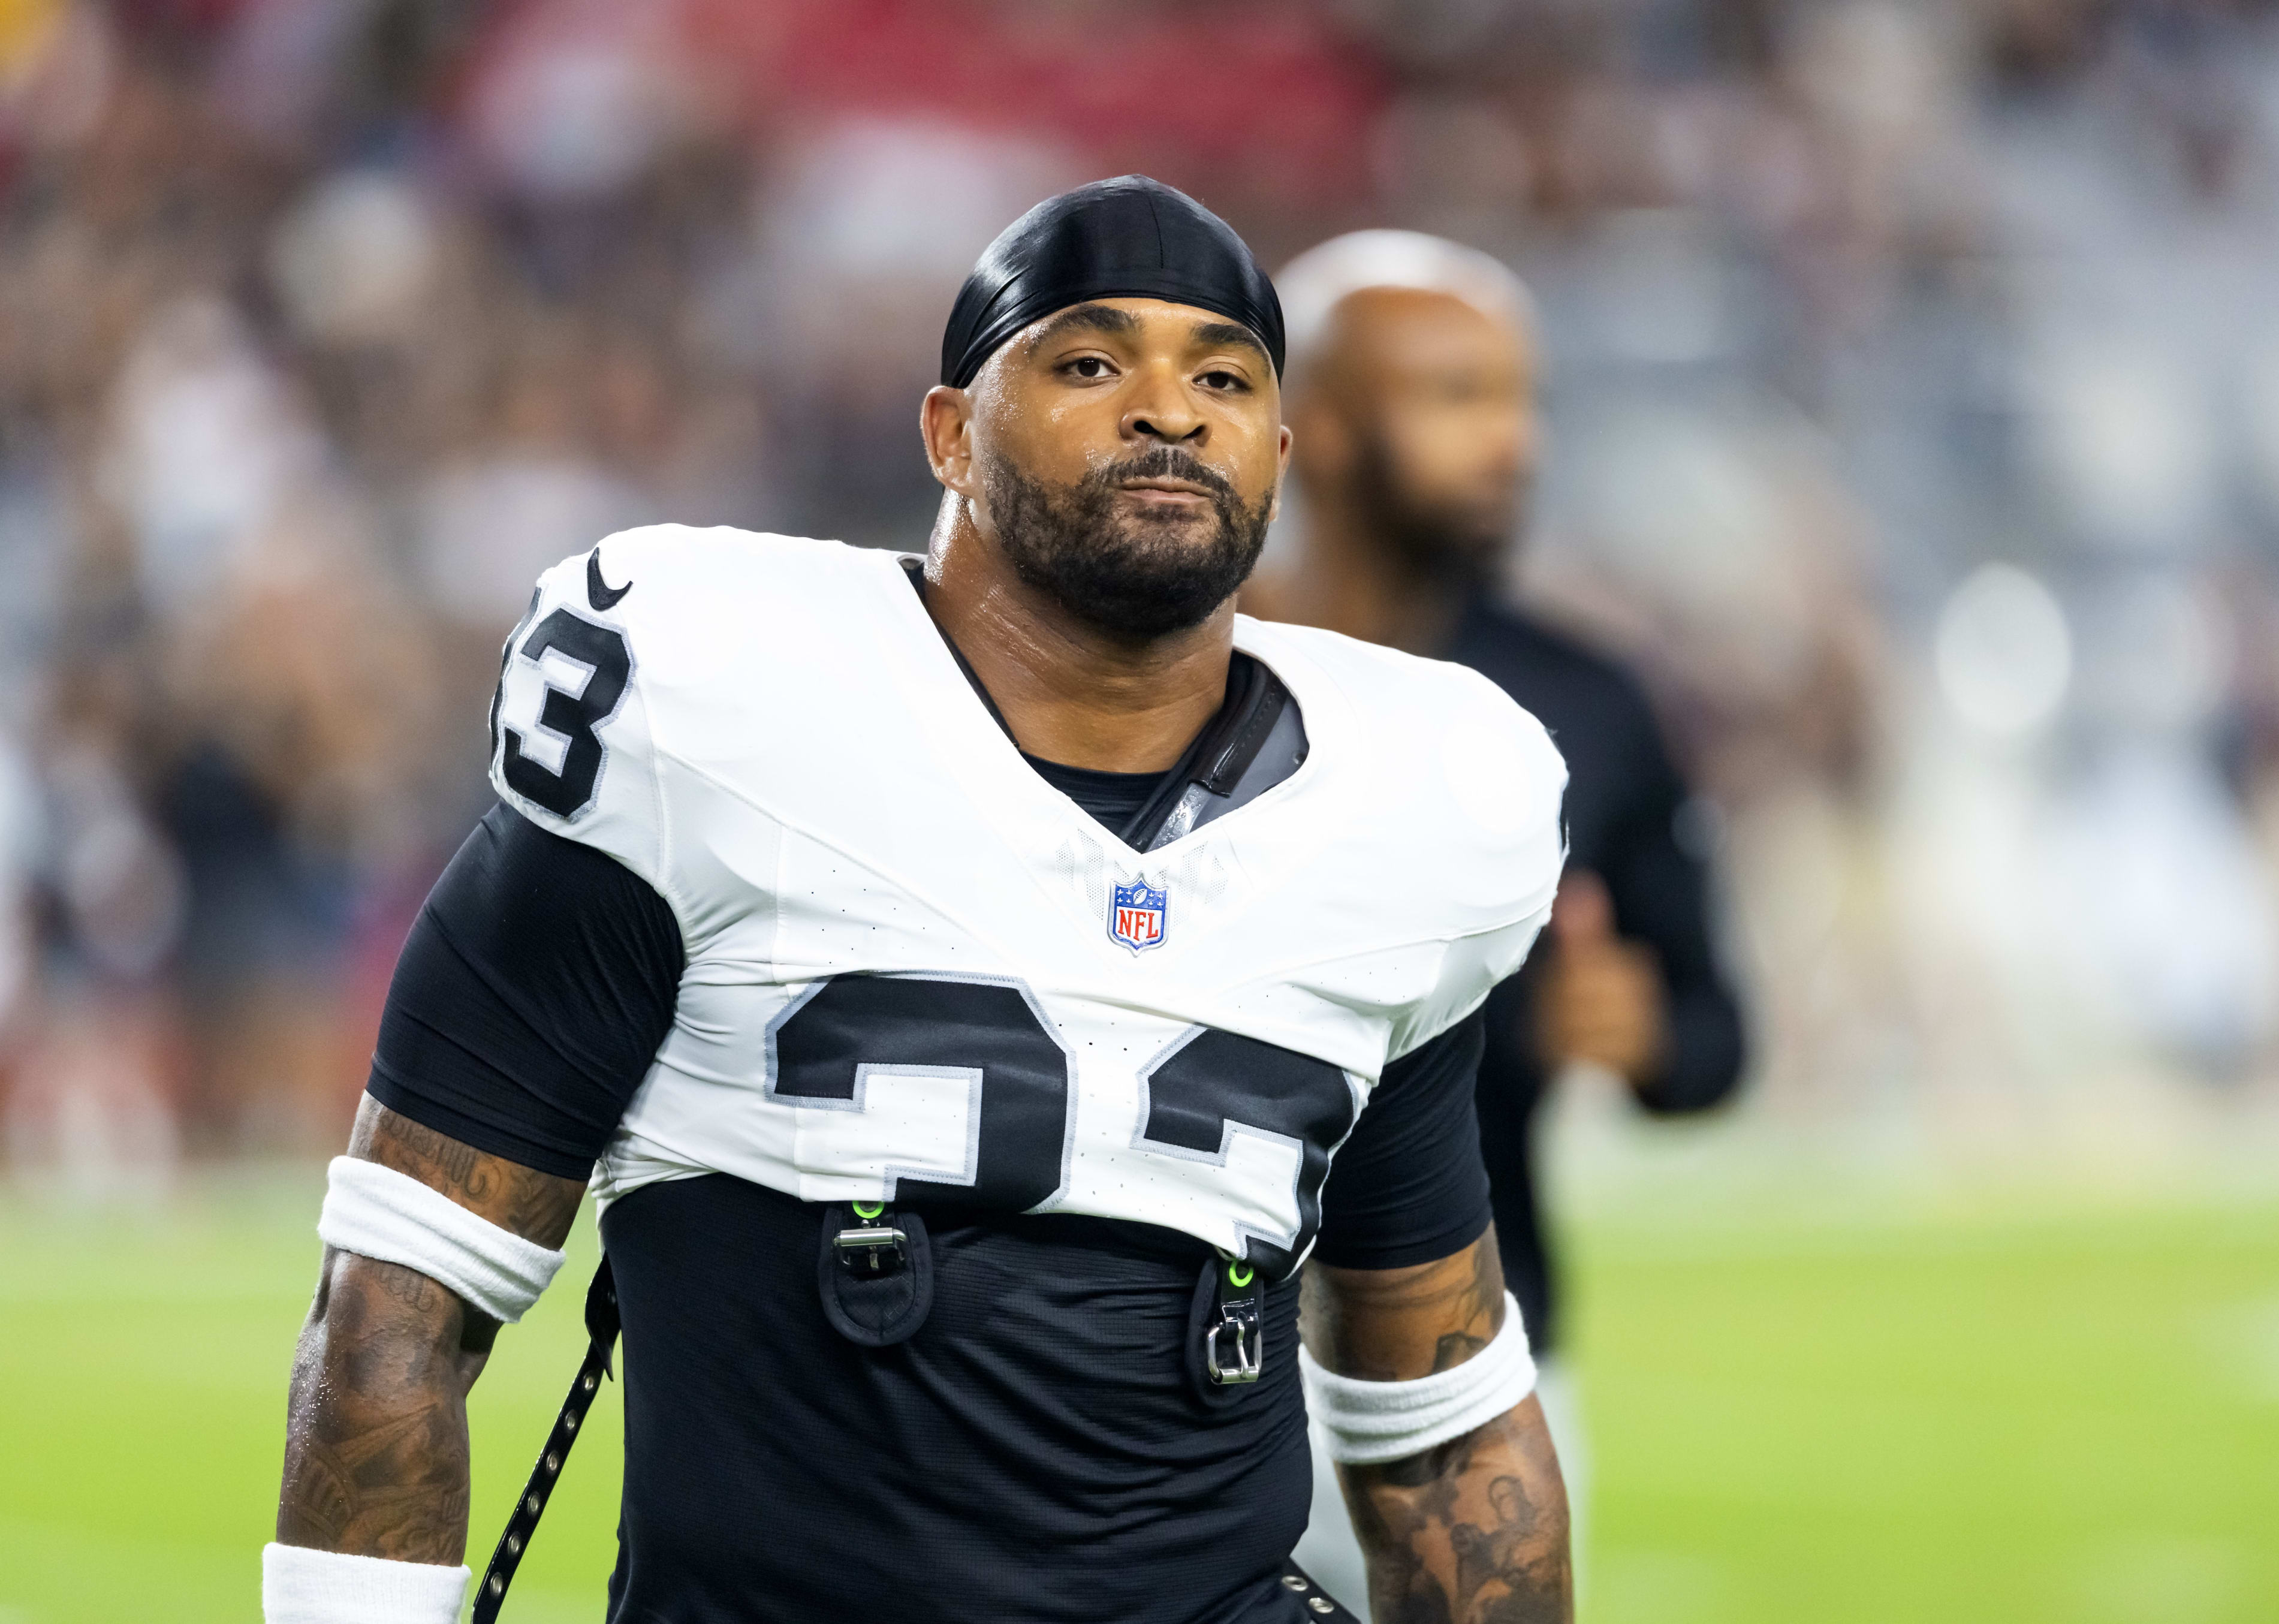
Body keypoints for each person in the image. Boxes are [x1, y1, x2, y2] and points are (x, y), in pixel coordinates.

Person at [263, 179, 1576, 1624]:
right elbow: (402, 1292)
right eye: (1090, 362)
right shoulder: (713, 706)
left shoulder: (1410, 804)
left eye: (1223, 377)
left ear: (1276, 446)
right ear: (951, 433)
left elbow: (1442, 1435)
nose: (1169, 411)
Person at [1252, 231, 1747, 1608]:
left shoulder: (1590, 698)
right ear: (1326, 429)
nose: (1513, 440)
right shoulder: (1165, 664)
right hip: (1169, 1346)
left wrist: (1646, 1034)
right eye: (1459, 395)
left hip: (1482, 1347)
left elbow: (1716, 1037)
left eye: (1521, 399)